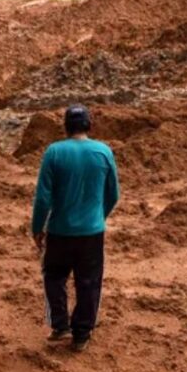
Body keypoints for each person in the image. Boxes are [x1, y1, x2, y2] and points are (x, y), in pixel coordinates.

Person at [31, 105, 120, 353]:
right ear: (89, 125)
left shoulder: (54, 152)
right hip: (92, 232)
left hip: (59, 230)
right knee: (89, 282)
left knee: (53, 277)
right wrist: (98, 217)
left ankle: (60, 325)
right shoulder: (103, 151)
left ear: (66, 127)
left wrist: (37, 228)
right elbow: (113, 194)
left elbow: (43, 198)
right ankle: (81, 334)